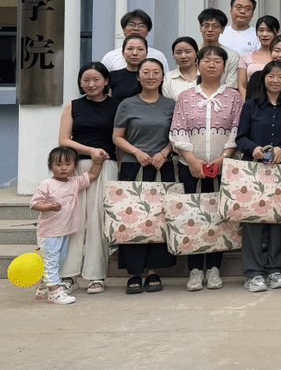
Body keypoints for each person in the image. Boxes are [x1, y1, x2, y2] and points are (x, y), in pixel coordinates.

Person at [170, 46, 244, 292]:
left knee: (219, 216)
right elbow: (178, 129)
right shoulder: (185, 96)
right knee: (192, 216)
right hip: (190, 166)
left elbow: (236, 129)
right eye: (207, 60)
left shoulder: (233, 97)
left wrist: (225, 157)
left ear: (224, 67)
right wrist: (191, 160)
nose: (212, 65)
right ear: (198, 65)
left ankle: (214, 268)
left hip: (224, 166)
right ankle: (194, 269)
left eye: (217, 61)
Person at [112, 58, 177, 294]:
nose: (151, 76)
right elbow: (117, 137)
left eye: (156, 72)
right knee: (132, 218)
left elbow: (177, 136)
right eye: (146, 72)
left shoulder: (171, 105)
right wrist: (137, 152)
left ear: (162, 77)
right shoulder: (127, 104)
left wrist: (164, 153)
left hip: (162, 167)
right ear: (138, 77)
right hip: (133, 166)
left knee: (159, 218)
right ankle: (134, 272)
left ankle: (153, 271)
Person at [234, 61, 281, 293]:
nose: (275, 80)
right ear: (263, 79)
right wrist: (253, 148)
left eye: (280, 76)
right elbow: (240, 138)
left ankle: (274, 269)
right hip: (254, 170)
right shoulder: (250, 106)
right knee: (252, 220)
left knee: (278, 220)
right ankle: (253, 273)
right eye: (271, 76)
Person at [57, 62, 120, 295]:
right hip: (77, 167)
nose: (91, 84)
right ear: (80, 82)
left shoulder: (117, 106)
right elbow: (64, 140)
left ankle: (96, 275)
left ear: (106, 81)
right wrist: (91, 150)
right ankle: (68, 275)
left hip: (106, 167)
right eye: (86, 80)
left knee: (98, 221)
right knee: (73, 220)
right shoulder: (73, 106)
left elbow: (120, 138)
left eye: (96, 79)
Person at [30, 147, 107, 305]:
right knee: (52, 261)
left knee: (57, 261)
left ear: (74, 166)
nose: (63, 168)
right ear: (50, 167)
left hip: (65, 231)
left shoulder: (74, 182)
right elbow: (34, 204)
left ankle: (43, 287)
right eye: (58, 165)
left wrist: (98, 162)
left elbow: (92, 175)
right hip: (49, 232)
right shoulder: (46, 184)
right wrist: (49, 207)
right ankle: (54, 293)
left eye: (67, 164)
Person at [100, 9, 170, 71]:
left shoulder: (158, 56)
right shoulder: (110, 57)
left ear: (147, 32)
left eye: (142, 25)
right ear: (124, 30)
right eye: (132, 24)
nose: (136, 28)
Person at [238, 15, 280, 96]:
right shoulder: (246, 57)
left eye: (269, 30)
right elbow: (242, 86)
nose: (264, 34)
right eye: (261, 30)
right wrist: (247, 101)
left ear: (278, 33)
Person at [197, 8, 242, 82]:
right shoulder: (192, 52)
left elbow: (231, 84)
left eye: (215, 26)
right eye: (206, 26)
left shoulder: (232, 55)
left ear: (222, 30)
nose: (210, 30)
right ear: (200, 28)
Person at [108, 35, 148, 102]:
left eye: (140, 49)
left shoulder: (152, 77)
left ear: (146, 53)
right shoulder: (112, 76)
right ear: (123, 53)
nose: (135, 53)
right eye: (130, 49)